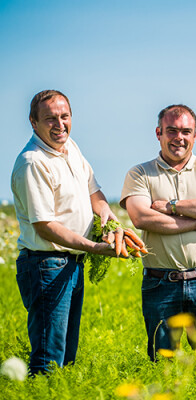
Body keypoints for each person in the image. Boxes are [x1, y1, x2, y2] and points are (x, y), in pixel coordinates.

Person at [11, 90, 117, 376]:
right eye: (50, 119)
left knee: (66, 355)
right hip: (45, 265)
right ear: (33, 122)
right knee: (49, 356)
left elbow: (93, 190)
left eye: (64, 116)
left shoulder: (71, 147)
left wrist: (108, 217)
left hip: (71, 264)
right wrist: (93, 247)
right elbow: (44, 225)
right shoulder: (33, 162)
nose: (59, 125)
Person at [120, 104, 196, 360]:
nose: (178, 138)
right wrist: (195, 222)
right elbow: (141, 217)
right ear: (158, 133)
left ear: (195, 135)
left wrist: (172, 207)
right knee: (162, 361)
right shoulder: (140, 173)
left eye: (185, 131)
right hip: (159, 282)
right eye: (171, 131)